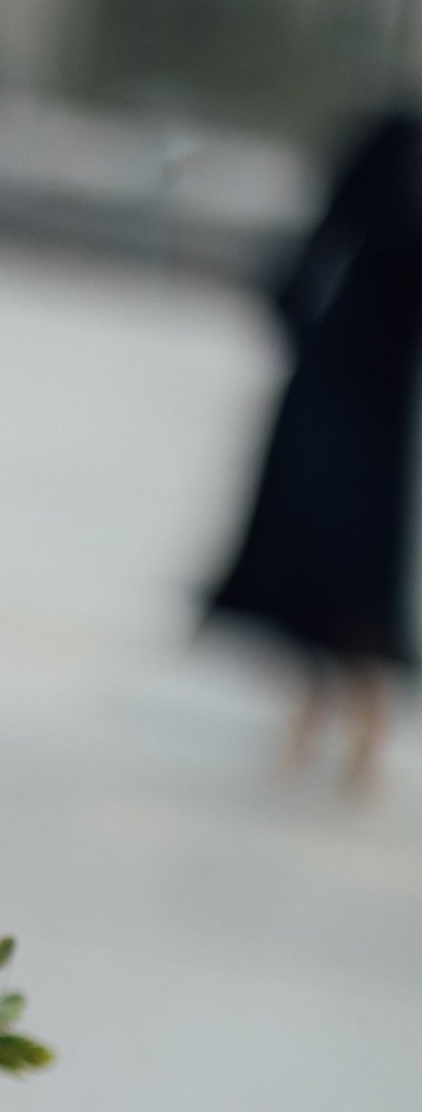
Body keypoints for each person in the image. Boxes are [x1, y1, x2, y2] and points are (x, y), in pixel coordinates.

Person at [205, 105, 422, 794]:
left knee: (363, 555)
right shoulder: (393, 134)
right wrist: (297, 318)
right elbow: (327, 227)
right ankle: (312, 708)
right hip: (335, 366)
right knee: (308, 537)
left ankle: (362, 716)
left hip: (391, 389)